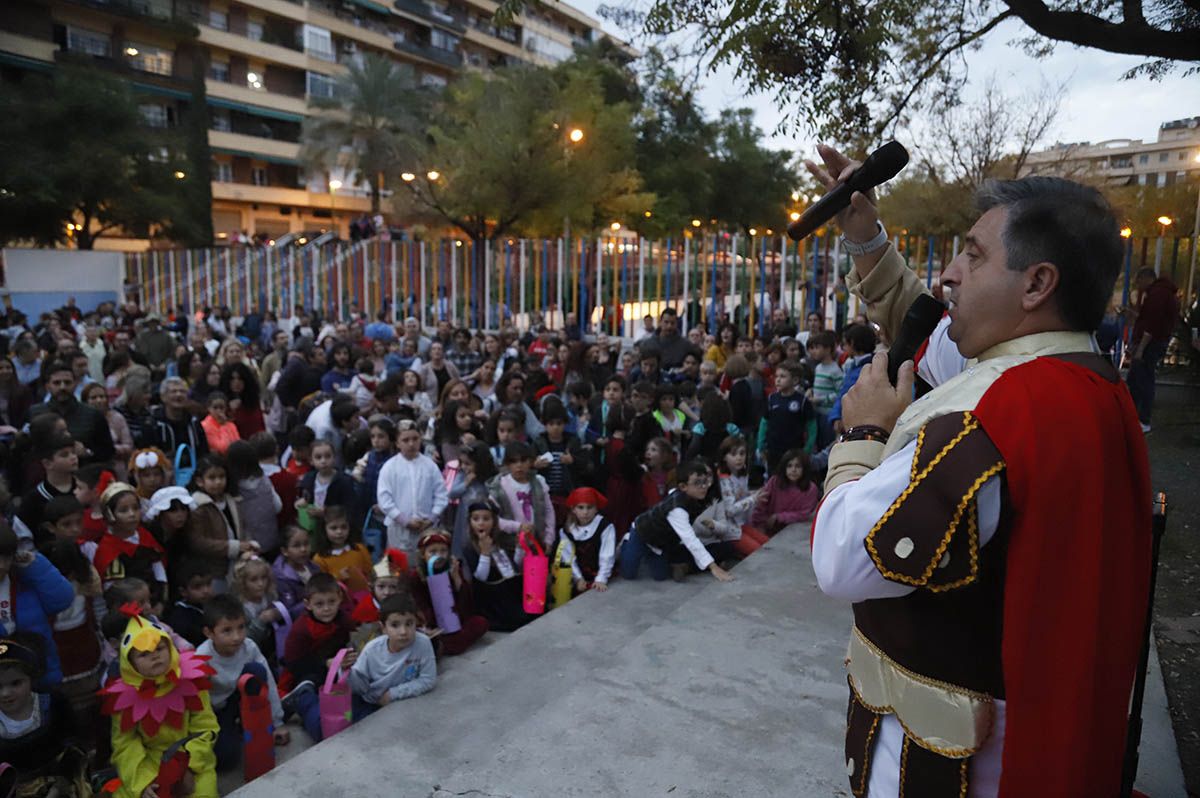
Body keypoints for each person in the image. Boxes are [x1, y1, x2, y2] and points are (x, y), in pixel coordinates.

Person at [805, 144, 1150, 796]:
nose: (948, 275)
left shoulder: (997, 414)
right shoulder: (1071, 377)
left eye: (972, 254)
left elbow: (840, 559)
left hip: (947, 765)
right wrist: (864, 234)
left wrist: (863, 434)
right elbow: (921, 315)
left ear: (1036, 283)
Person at [100, 606, 219, 798]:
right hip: (149, 764)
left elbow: (206, 727)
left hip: (190, 760)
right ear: (129, 661)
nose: (155, 656)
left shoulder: (191, 680)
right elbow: (125, 745)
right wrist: (142, 782)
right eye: (144, 654)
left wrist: (189, 767)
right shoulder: (123, 698)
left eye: (159, 648)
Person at [197, 594, 288, 771]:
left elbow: (267, 681)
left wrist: (278, 723)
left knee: (257, 670)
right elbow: (200, 705)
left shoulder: (249, 647)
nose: (237, 636)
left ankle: (262, 718)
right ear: (209, 633)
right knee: (225, 760)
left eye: (241, 627)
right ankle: (238, 728)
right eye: (227, 630)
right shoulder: (202, 658)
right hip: (218, 711)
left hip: (244, 698)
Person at [0, 633, 89, 794]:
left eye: (15, 683)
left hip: (61, 786)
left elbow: (74, 743)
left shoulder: (55, 704)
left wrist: (62, 782)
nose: (6, 693)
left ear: (30, 679)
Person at [618, 461, 734, 583]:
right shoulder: (677, 509)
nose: (703, 486)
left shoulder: (697, 498)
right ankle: (627, 541)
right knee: (628, 574)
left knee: (661, 576)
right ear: (683, 487)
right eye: (697, 483)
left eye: (705, 481)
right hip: (641, 534)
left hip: (661, 542)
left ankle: (650, 554)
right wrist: (713, 567)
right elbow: (690, 539)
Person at [281, 572, 355, 743]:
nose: (327, 608)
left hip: (335, 670)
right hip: (303, 674)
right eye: (319, 604)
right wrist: (326, 663)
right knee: (310, 689)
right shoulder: (301, 630)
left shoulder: (343, 620)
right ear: (308, 604)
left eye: (331, 602)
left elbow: (346, 642)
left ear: (339, 598)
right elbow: (293, 663)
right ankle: (301, 702)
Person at [348, 592, 437, 720]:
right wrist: (346, 671)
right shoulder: (371, 650)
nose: (403, 632)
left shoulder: (423, 643)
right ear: (383, 627)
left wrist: (392, 694)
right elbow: (359, 687)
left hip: (398, 700)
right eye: (395, 625)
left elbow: (428, 679)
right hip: (370, 701)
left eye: (409, 623)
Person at [407, 529, 488, 656]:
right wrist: (430, 624)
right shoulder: (416, 576)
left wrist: (457, 580)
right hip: (434, 625)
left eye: (443, 551)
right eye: (432, 551)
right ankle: (444, 644)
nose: (438, 555)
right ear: (423, 554)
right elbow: (420, 604)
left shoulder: (453, 568)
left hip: (455, 620)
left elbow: (467, 604)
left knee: (480, 622)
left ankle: (445, 646)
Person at [376, 420, 448, 554]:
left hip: (427, 527)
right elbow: (384, 499)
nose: (411, 444)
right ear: (397, 443)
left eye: (415, 439)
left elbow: (441, 495)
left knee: (431, 565)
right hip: (399, 529)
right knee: (401, 567)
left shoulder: (430, 465)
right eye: (405, 440)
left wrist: (431, 518)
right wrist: (404, 520)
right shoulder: (390, 467)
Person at [28, 361, 115, 466]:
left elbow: (108, 452)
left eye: (67, 382)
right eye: (57, 383)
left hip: (84, 473)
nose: (62, 387)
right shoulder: (35, 413)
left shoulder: (93, 415)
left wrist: (87, 453)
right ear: (47, 386)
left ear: (75, 384)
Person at [1126, 267, 1180, 432]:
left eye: (1138, 280)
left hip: (1151, 343)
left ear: (1146, 278)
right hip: (1154, 341)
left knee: (1143, 379)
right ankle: (1132, 414)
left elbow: (1152, 323)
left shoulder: (1158, 294)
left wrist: (1141, 348)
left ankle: (1143, 419)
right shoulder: (1161, 293)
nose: (1138, 285)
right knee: (1136, 378)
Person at [759, 360, 817, 471]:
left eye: (783, 376)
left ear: (795, 380)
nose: (778, 380)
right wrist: (761, 445)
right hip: (773, 450)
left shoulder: (802, 401)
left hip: (794, 451)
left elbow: (812, 426)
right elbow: (764, 422)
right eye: (776, 376)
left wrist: (807, 449)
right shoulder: (772, 398)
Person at [558, 487, 617, 594]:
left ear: (596, 509)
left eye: (589, 507)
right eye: (580, 507)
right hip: (579, 578)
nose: (585, 512)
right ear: (573, 509)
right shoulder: (567, 530)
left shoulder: (605, 526)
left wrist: (601, 578)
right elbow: (568, 557)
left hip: (602, 576)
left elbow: (607, 554)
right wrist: (578, 578)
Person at [750, 449, 818, 536]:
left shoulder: (811, 489)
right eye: (789, 466)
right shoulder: (774, 481)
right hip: (768, 527)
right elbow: (761, 505)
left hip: (795, 530)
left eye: (798, 466)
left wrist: (779, 517)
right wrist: (759, 524)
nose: (793, 470)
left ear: (804, 468)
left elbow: (804, 514)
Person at [311, 505, 373, 596]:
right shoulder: (319, 558)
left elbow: (370, 572)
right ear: (324, 530)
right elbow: (321, 585)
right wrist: (338, 577)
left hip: (363, 598)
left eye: (344, 527)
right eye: (334, 528)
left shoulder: (360, 549)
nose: (339, 532)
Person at [272, 525, 321, 620]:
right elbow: (288, 612)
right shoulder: (282, 578)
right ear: (285, 551)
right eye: (296, 546)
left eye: (306, 544)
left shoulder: (314, 567)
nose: (303, 549)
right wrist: (314, 600)